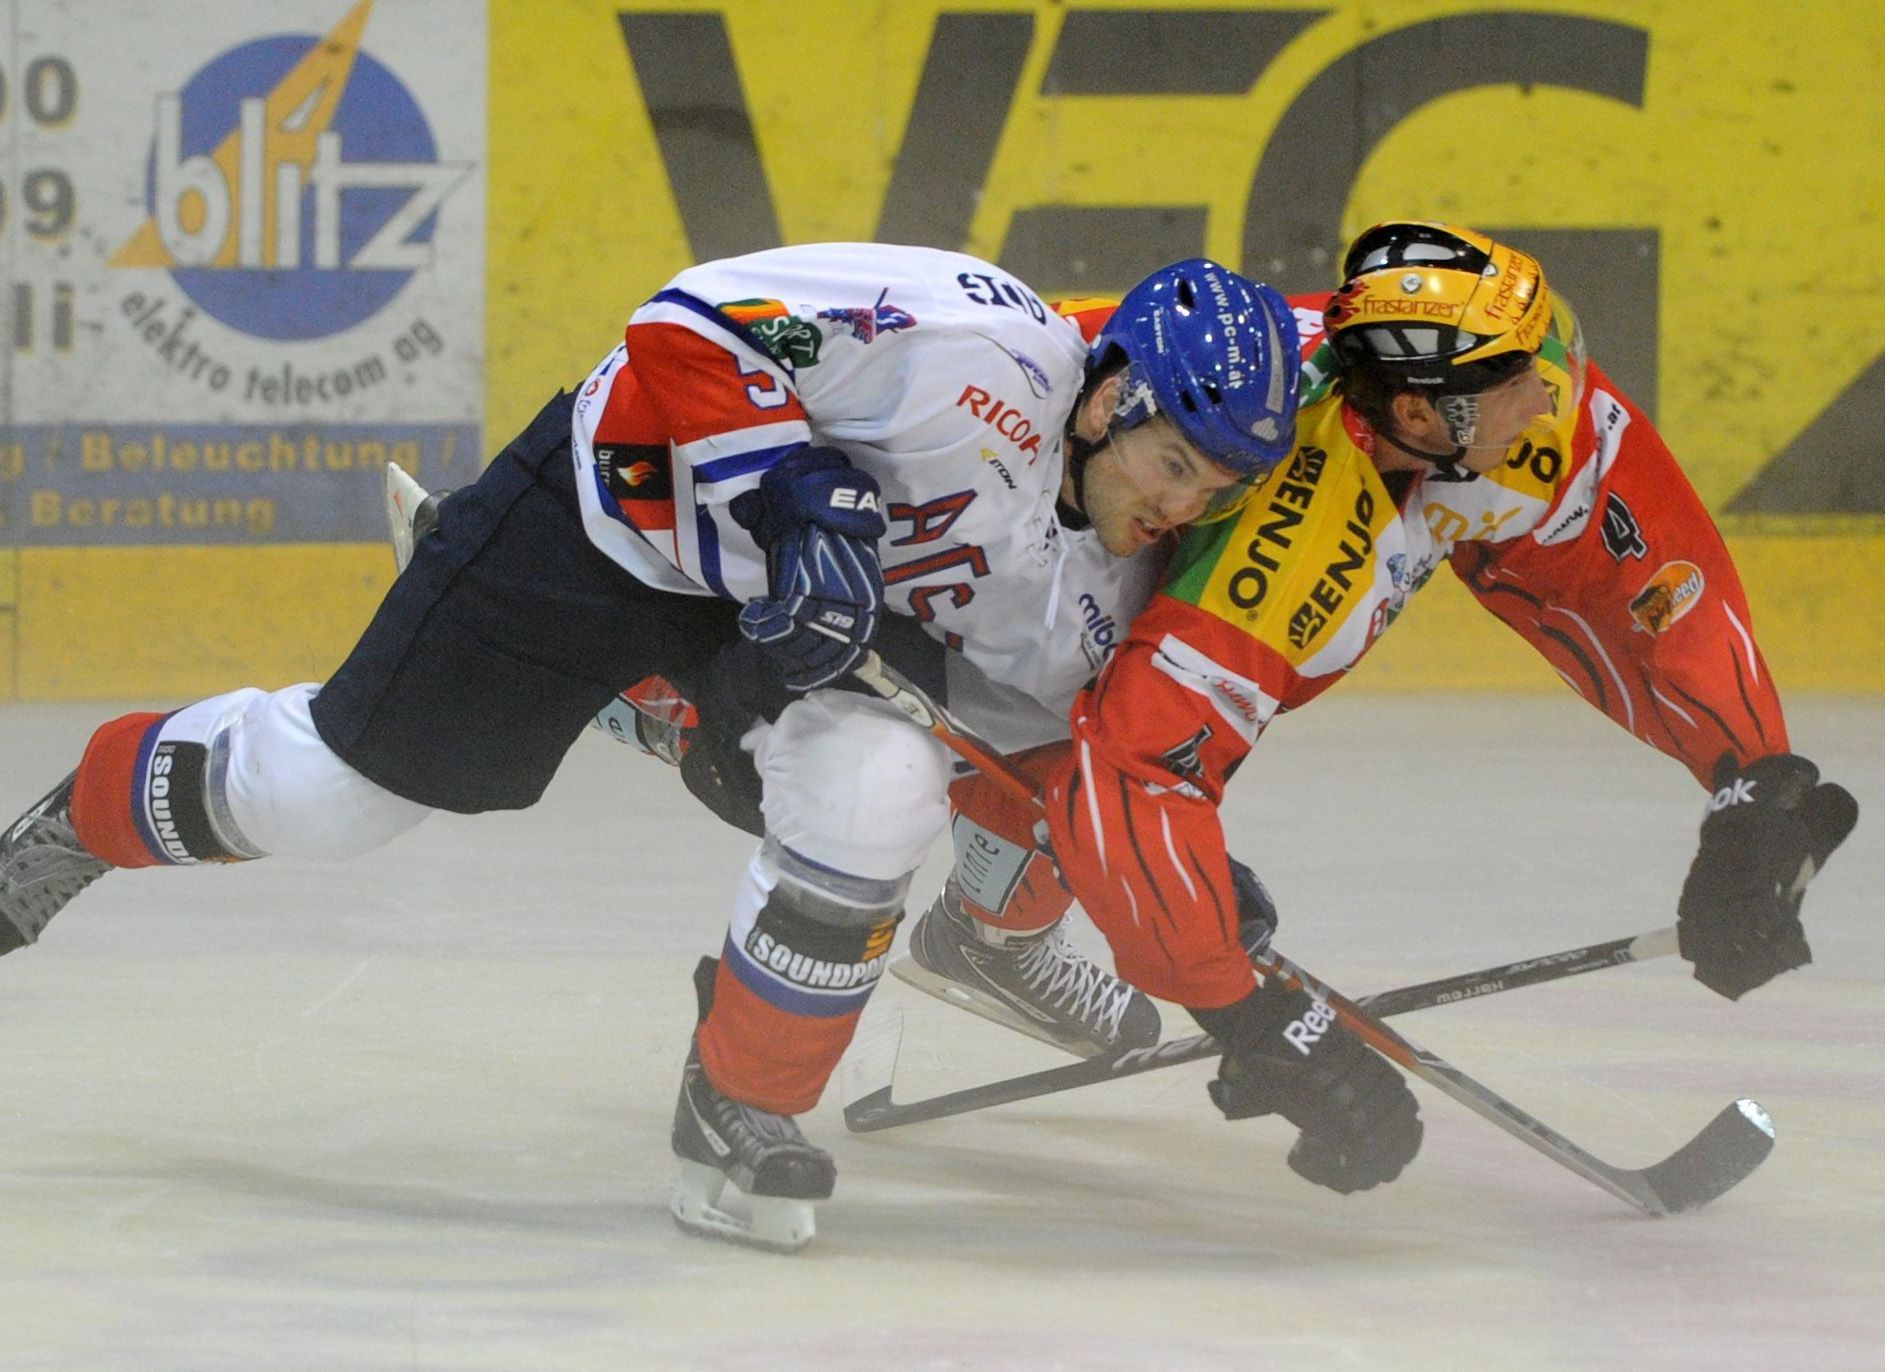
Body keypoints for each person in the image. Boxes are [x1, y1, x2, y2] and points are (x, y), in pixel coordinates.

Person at [0, 242, 1302, 1251]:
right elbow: (688, 323)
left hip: (787, 628)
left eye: (1217, 490)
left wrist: (1177, 883)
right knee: (329, 799)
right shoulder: (969, 335)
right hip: (605, 526)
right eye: (1172, 462)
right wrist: (795, 498)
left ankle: (737, 1096)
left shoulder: (1112, 593)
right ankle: (81, 819)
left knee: (882, 787)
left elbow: (1034, 774)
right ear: (1112, 393)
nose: (1180, 507)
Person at [896, 222, 1857, 1198]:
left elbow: (1635, 561)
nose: (1550, 388)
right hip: (974, 517)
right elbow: (1140, 768)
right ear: (1417, 409)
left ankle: (998, 914)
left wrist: (1752, 779)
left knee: (1124, 791)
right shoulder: (1284, 542)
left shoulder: (1479, 403)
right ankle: (987, 930)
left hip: (1116, 517)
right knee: (1060, 715)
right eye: (1518, 377)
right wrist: (1244, 1007)